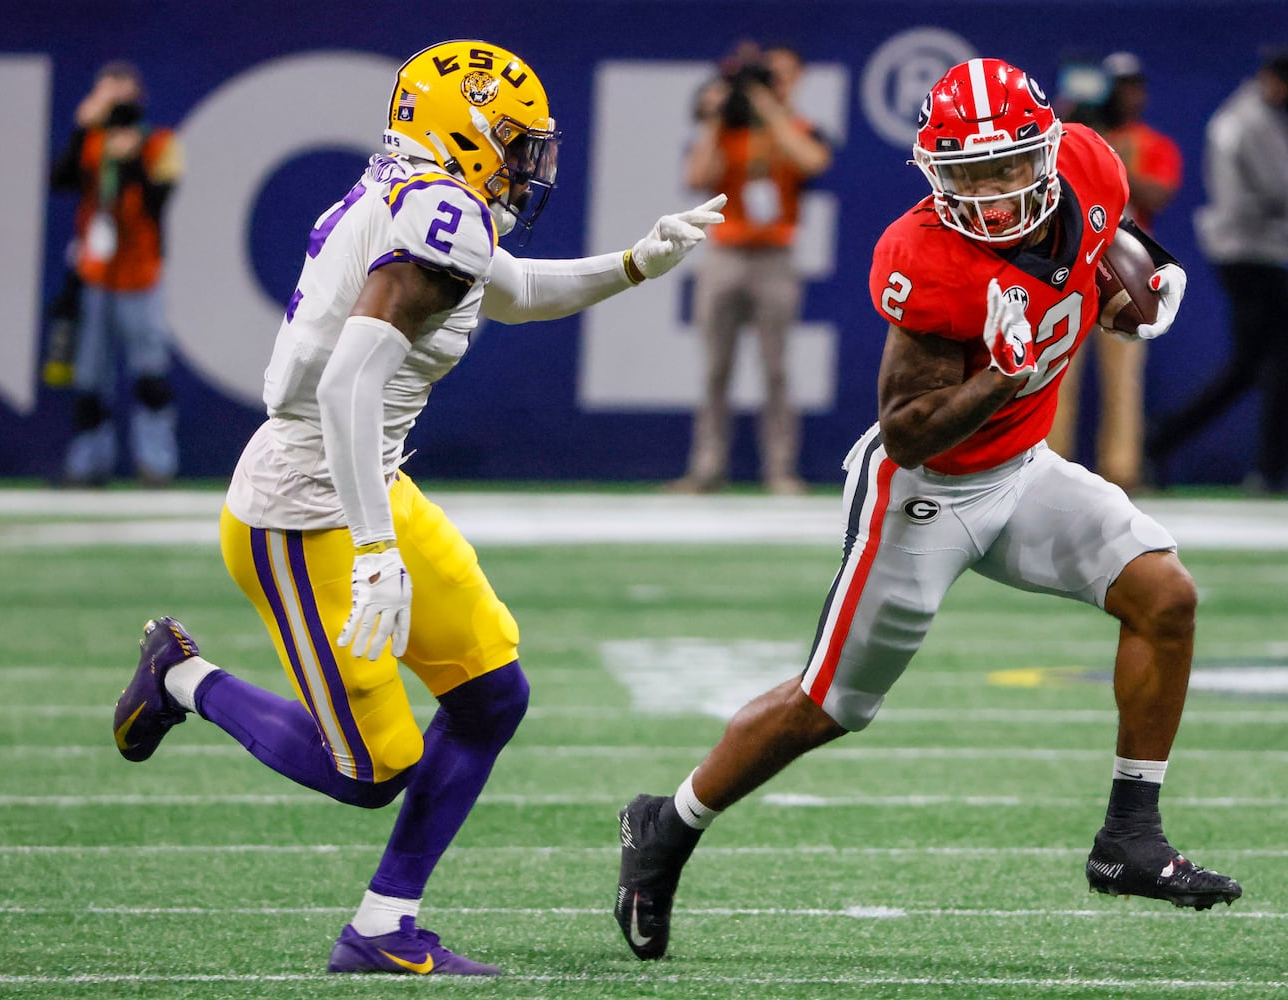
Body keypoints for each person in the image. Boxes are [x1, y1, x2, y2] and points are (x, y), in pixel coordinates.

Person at [110, 40, 724, 977]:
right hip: (303, 510)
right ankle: (181, 679)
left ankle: (384, 924)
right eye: (513, 143)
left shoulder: (435, 203)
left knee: (488, 693)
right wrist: (373, 550)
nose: (527, 163)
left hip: (364, 482)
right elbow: (348, 386)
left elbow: (511, 291)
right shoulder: (436, 213)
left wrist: (636, 263)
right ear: (461, 130)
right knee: (369, 771)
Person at [615, 57, 1241, 963]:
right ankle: (665, 825)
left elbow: (1104, 237)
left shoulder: (1095, 163)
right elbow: (907, 432)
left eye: (1005, 168)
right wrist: (1001, 377)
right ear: (934, 176)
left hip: (1022, 469)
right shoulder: (923, 256)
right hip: (924, 494)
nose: (988, 195)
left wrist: (1135, 276)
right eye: (966, 176)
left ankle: (1129, 838)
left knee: (1166, 596)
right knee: (828, 705)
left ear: (1048, 151)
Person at [1147, 47, 1288, 493]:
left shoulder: (1253, 117)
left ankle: (1162, 444)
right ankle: (1271, 471)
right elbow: (1275, 191)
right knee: (1278, 364)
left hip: (1252, 251)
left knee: (1251, 367)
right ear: (1275, 79)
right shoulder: (1253, 122)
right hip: (1253, 252)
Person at [668, 41, 832, 495]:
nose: (770, 85)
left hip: (775, 258)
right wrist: (718, 114)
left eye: (778, 77)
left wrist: (766, 105)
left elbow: (811, 161)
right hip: (724, 254)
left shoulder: (798, 127)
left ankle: (780, 469)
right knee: (715, 368)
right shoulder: (728, 129)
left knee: (776, 369)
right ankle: (706, 467)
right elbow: (697, 178)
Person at [1047, 52, 1182, 494]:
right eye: (1121, 85)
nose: (1129, 95)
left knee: (1124, 376)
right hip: (1069, 262)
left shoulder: (1152, 143)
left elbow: (1158, 193)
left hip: (1124, 267)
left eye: (1134, 86)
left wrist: (1104, 156)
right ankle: (1049, 463)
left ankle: (1121, 468)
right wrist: (1075, 131)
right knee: (1056, 369)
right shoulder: (1072, 136)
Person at [50, 60, 183, 487]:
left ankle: (156, 462)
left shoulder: (160, 143)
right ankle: (88, 463)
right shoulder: (91, 143)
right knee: (90, 378)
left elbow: (159, 200)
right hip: (95, 275)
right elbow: (60, 181)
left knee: (150, 375)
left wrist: (131, 162)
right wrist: (78, 128)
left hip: (140, 276)